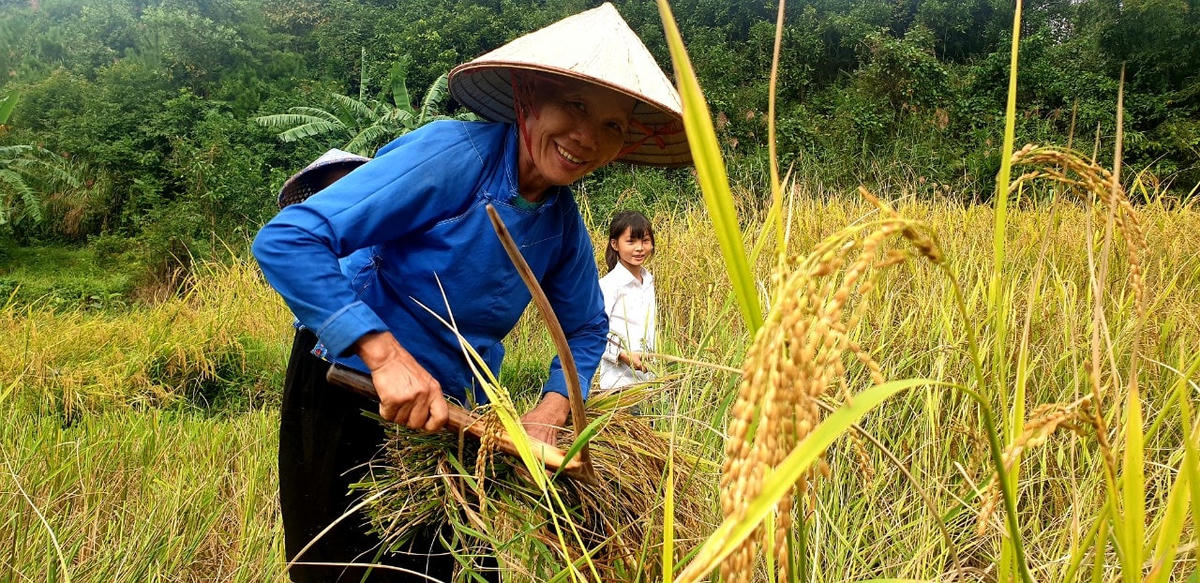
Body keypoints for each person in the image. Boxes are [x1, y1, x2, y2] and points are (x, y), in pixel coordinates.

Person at [251, 3, 690, 581]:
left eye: (612, 125)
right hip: (348, 384)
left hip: (451, 414)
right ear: (530, 99)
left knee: (457, 569)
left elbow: (585, 327)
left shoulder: (561, 224)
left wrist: (552, 410)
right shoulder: (456, 156)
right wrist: (384, 355)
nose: (587, 137)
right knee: (340, 568)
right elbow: (289, 238)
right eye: (575, 106)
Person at [597, 210, 657, 391]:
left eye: (645, 241)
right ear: (615, 244)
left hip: (649, 382)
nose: (639, 248)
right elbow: (593, 332)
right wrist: (622, 355)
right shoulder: (608, 285)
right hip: (618, 385)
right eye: (631, 241)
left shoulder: (648, 281)